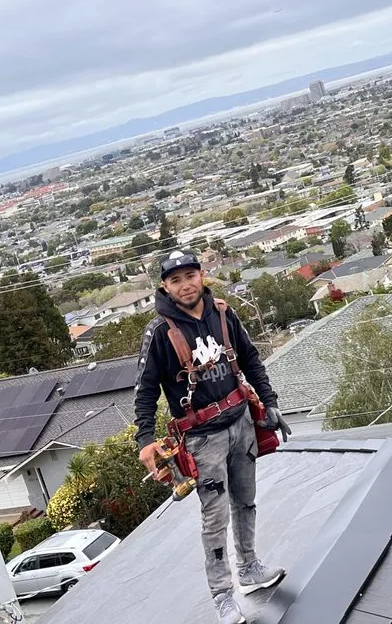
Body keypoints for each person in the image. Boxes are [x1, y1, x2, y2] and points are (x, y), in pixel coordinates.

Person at [134, 250, 292, 624]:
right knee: (215, 516)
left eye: (190, 276)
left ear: (202, 275)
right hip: (202, 439)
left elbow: (250, 359)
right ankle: (222, 594)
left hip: (241, 422)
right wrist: (145, 439)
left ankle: (249, 568)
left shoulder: (222, 314)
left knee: (246, 500)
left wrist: (269, 402)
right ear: (165, 287)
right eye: (175, 280)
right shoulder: (160, 332)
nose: (185, 285)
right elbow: (145, 389)